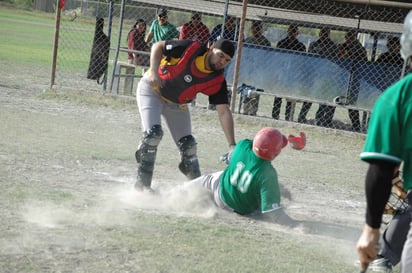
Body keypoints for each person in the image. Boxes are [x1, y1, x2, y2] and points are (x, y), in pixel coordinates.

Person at [134, 38, 237, 192]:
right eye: (220, 55)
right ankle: (142, 187)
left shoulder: (217, 81)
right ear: (211, 47)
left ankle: (197, 191)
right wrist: (154, 70)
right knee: (153, 135)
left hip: (176, 103)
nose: (222, 61)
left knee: (189, 147)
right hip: (152, 91)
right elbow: (158, 46)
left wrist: (232, 145)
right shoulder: (190, 49)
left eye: (227, 60)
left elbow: (223, 111)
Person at [356, 10, 412, 273]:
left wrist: (371, 229)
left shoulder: (397, 99)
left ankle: (385, 256)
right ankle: (387, 255)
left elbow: (381, 169)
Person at [183, 127, 297, 226]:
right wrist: (294, 223)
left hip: (219, 191)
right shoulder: (268, 173)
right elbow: (273, 212)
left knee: (207, 179)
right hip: (239, 210)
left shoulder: (243, 145)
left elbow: (240, 156)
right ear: (275, 153)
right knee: (262, 201)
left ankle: (177, 191)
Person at [299, 27, 338, 127]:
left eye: (325, 33)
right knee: (309, 98)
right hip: (314, 75)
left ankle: (319, 120)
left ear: (328, 34)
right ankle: (301, 117)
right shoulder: (314, 44)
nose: (323, 35)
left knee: (323, 100)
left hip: (326, 76)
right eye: (322, 33)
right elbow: (309, 59)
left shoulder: (333, 46)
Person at [272, 25, 306, 121]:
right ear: (288, 31)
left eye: (294, 31)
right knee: (278, 94)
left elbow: (302, 61)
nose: (292, 33)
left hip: (293, 74)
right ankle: (275, 115)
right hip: (282, 72)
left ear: (297, 33)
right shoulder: (281, 43)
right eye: (290, 30)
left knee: (290, 96)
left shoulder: (300, 46)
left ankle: (288, 116)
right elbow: (277, 58)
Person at [338, 30, 368, 132]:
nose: (348, 39)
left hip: (354, 78)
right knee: (334, 98)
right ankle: (325, 120)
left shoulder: (360, 49)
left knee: (351, 103)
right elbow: (337, 57)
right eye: (347, 36)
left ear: (355, 37)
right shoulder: (342, 46)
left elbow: (364, 62)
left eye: (351, 37)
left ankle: (356, 125)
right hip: (342, 77)